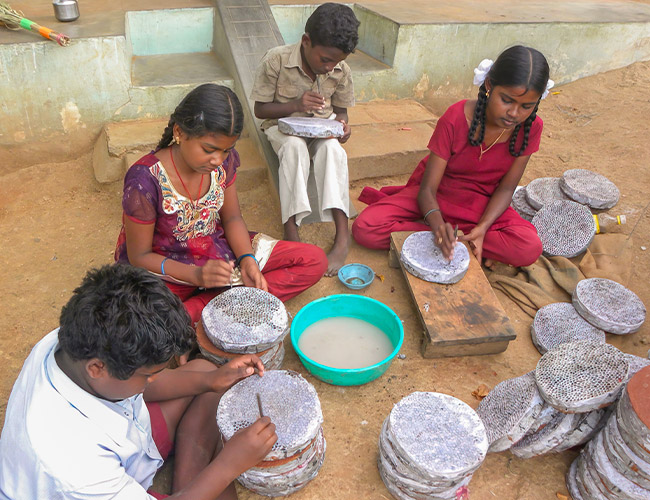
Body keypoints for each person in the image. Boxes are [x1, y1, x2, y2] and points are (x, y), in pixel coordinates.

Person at [0, 264, 277, 499]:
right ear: (98, 368)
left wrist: (212, 379)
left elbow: (147, 384)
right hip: (97, 477)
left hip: (122, 439)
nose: (155, 378)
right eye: (147, 374)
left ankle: (187, 483)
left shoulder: (82, 339)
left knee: (204, 373)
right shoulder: (72, 466)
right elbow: (81, 464)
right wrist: (231, 463)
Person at [114, 84, 327, 326]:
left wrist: (247, 259)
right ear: (179, 132)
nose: (218, 160)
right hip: (169, 270)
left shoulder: (223, 165)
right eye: (209, 149)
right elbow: (139, 256)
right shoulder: (144, 179)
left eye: (227, 151)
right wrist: (196, 275)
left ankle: (206, 308)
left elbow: (232, 219)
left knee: (314, 261)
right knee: (140, 322)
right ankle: (219, 305)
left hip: (218, 251)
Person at [352, 46, 553, 268]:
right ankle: (449, 236)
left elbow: (506, 189)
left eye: (526, 106)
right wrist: (437, 224)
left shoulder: (531, 127)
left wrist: (483, 228)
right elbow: (427, 189)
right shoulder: (455, 118)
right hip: (436, 195)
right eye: (506, 100)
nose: (514, 113)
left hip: (481, 205)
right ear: (489, 85)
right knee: (365, 228)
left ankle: (459, 238)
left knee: (529, 247)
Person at [250, 3, 360, 276]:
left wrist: (342, 127)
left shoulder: (340, 70)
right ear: (306, 42)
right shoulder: (276, 60)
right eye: (325, 59)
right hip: (281, 127)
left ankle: (342, 235)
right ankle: (292, 230)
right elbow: (260, 110)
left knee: (333, 151)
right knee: (294, 148)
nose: (330, 66)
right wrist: (295, 105)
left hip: (322, 129)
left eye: (336, 61)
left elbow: (342, 111)